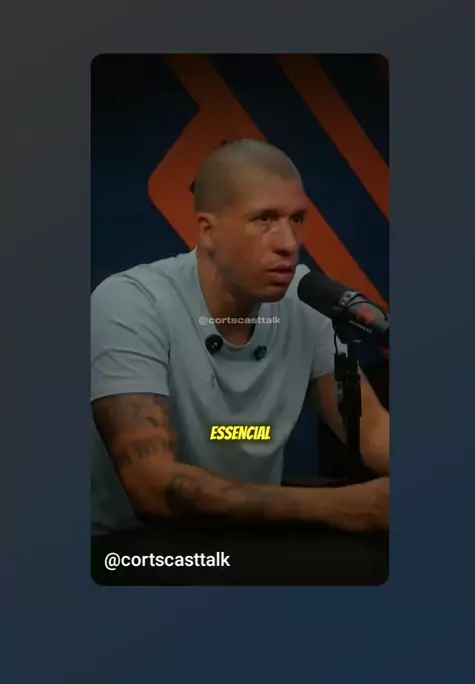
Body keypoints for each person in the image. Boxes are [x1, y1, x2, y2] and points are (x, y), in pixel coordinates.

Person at [91, 138, 389, 535]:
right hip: (134, 548)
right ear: (208, 230)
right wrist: (341, 507)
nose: (288, 244)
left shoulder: (305, 300)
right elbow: (152, 485)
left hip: (252, 541)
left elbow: (372, 432)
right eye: (264, 219)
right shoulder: (130, 301)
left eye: (296, 219)